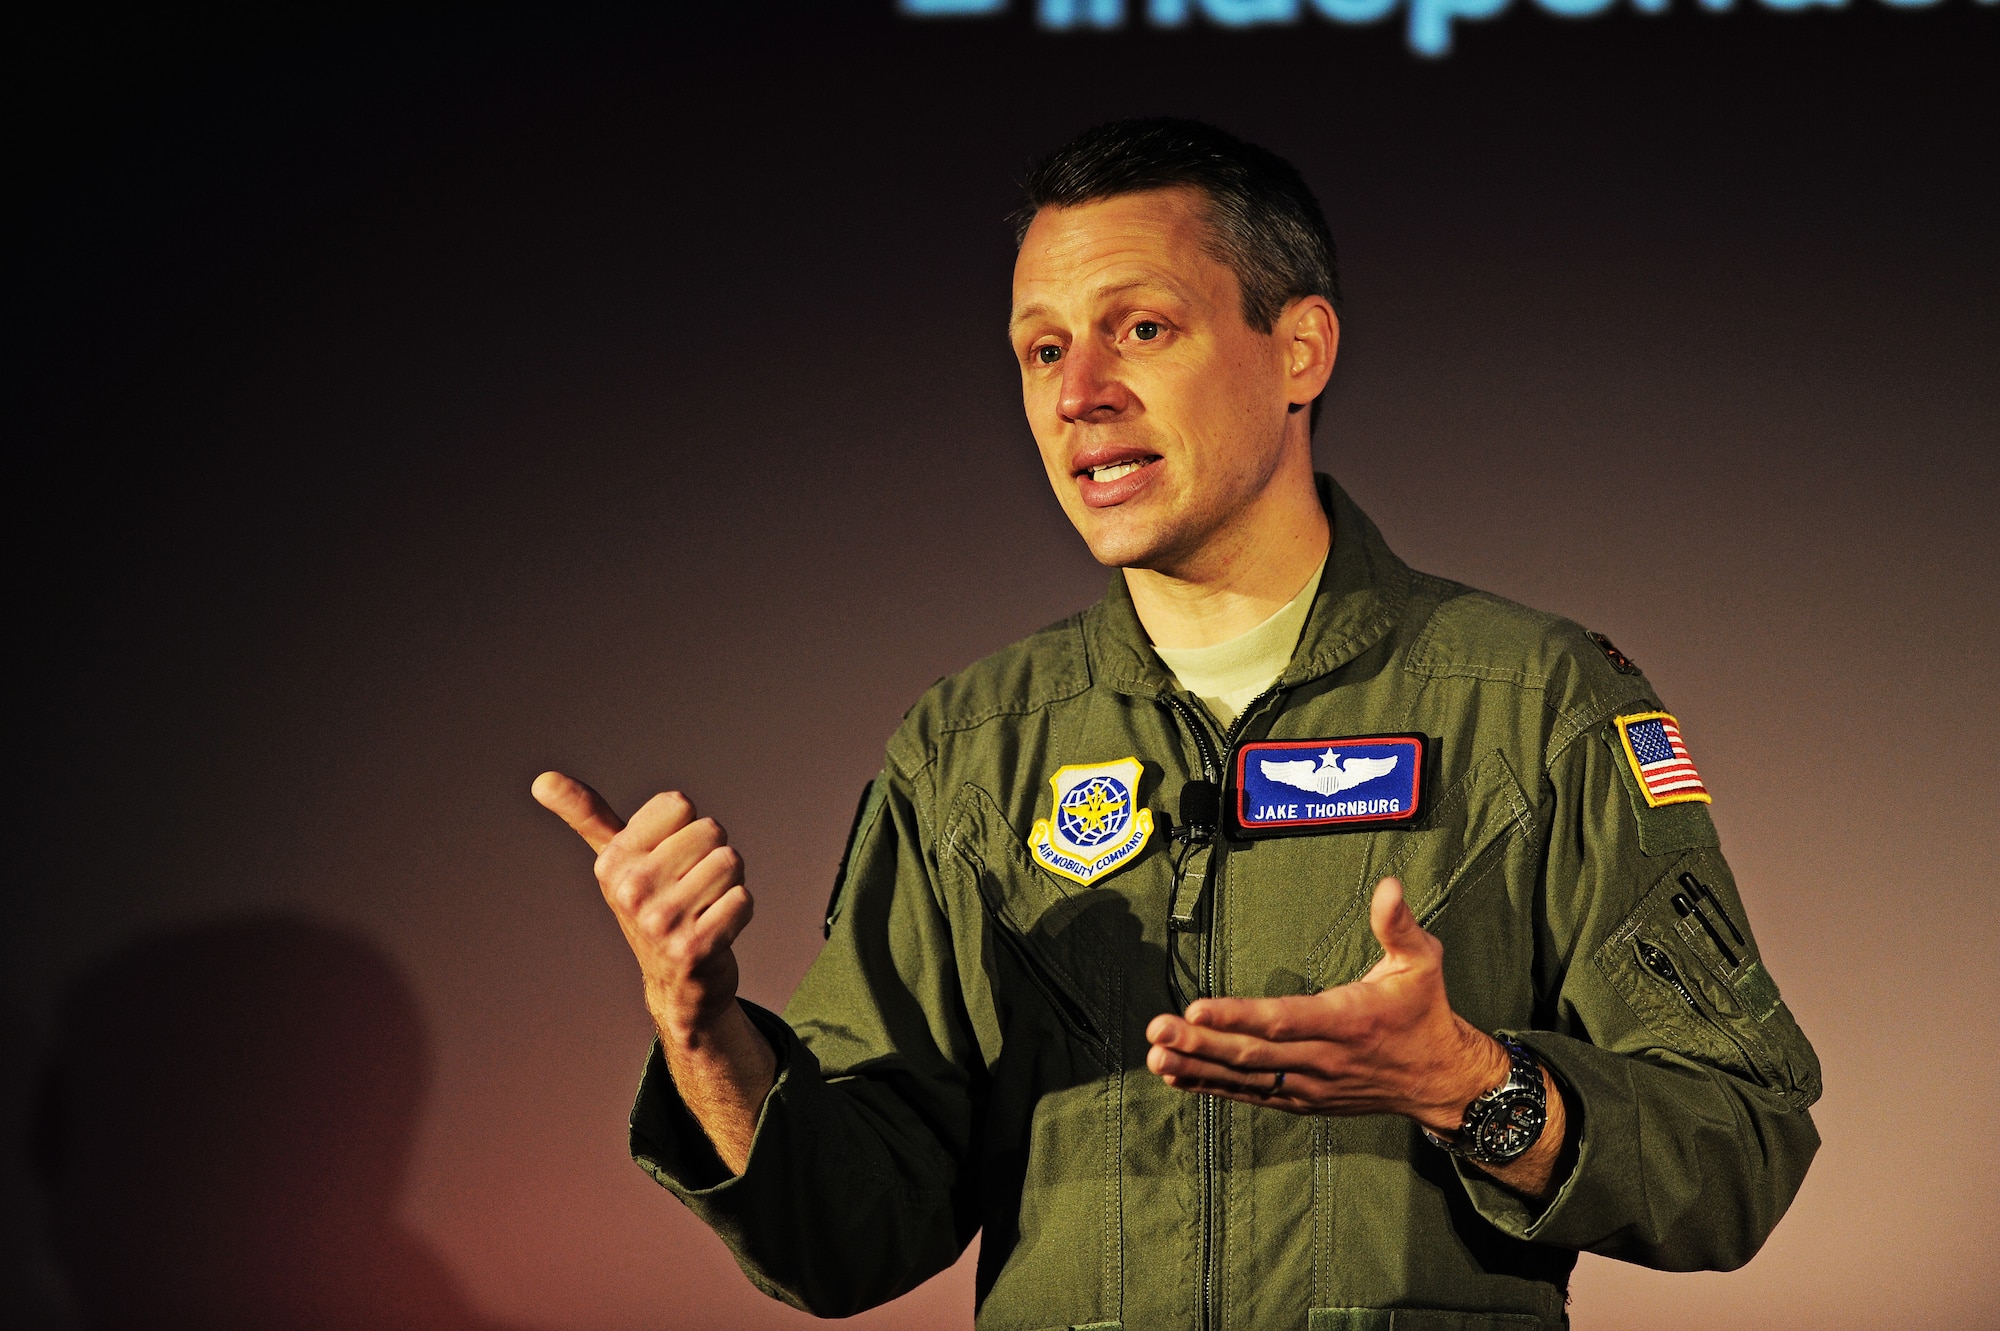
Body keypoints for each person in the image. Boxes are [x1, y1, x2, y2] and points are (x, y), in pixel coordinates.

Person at [534, 118, 1821, 1330]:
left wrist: (1467, 1081)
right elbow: (844, 1235)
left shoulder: (1531, 702)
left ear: (1298, 348)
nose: (1077, 392)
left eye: (1139, 328)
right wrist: (700, 1030)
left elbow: (1740, 1145)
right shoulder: (969, 746)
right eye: (1041, 350)